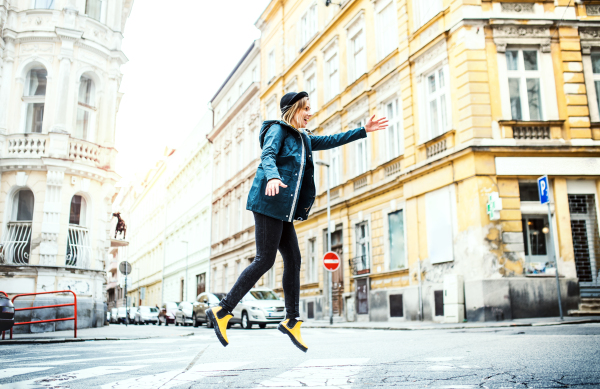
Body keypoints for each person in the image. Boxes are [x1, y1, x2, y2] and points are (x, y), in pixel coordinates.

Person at [206, 91, 388, 352]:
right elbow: (268, 155)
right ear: (294, 110)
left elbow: (330, 140)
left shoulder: (303, 139)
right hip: (268, 202)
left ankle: (291, 320)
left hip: (283, 210)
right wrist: (271, 177)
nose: (310, 113)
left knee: (294, 260)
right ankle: (222, 311)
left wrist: (363, 130)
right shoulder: (277, 130)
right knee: (264, 259)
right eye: (306, 108)